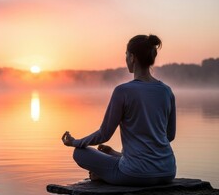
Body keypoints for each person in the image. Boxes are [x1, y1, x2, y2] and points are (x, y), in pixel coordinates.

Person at [61, 34, 176, 186]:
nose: (126, 58)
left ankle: (102, 175)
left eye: (126, 55)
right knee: (114, 155)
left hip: (135, 175)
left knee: (80, 153)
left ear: (132, 57)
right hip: (168, 171)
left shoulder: (123, 91)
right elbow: (169, 136)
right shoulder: (166, 91)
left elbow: (104, 134)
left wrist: (75, 142)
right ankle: (117, 158)